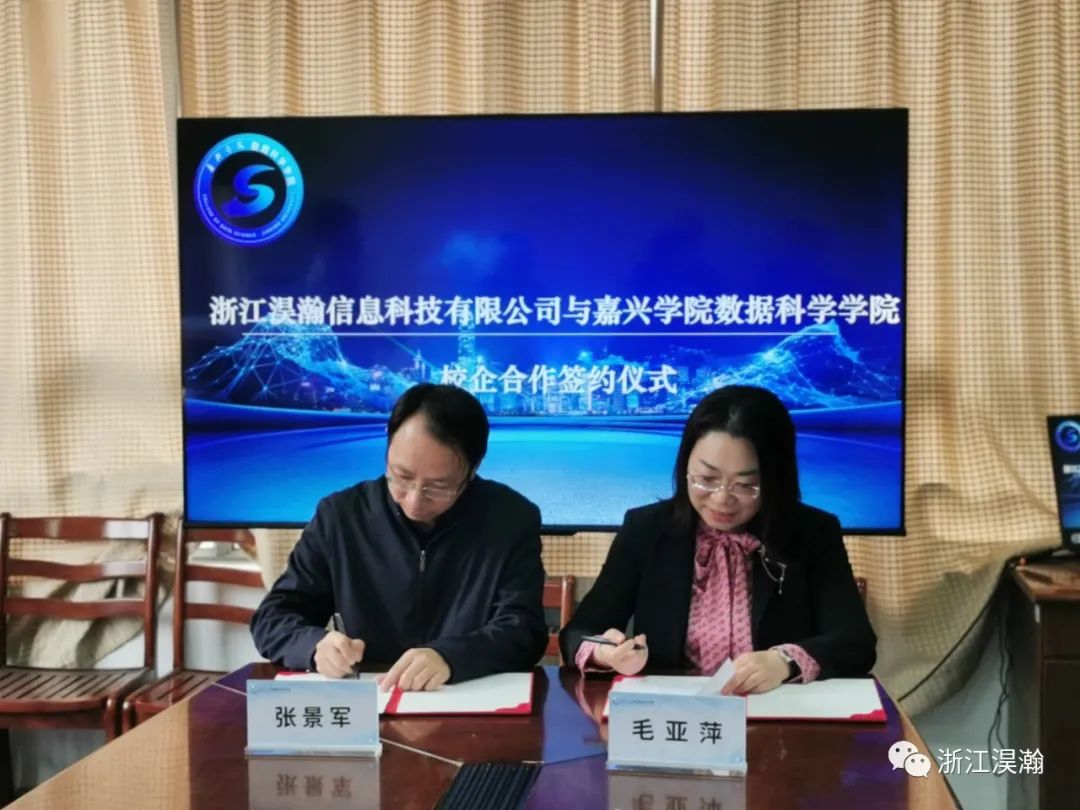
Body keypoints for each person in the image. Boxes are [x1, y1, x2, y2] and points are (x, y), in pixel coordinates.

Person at [560, 385, 876, 694]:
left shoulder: (813, 532)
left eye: (746, 485)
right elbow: (578, 632)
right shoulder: (646, 529)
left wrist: (784, 661)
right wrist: (607, 653)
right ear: (685, 465)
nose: (722, 499)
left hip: (774, 711)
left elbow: (855, 642)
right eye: (707, 479)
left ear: (776, 480)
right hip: (671, 714)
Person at [251, 383, 549, 691]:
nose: (414, 501)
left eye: (438, 487)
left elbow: (524, 630)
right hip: (368, 698)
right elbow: (273, 618)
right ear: (388, 446)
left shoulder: (510, 519)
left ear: (472, 470)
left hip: (463, 697)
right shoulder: (340, 517)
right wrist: (314, 646)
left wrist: (450, 656)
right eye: (402, 477)